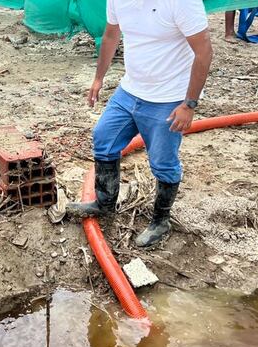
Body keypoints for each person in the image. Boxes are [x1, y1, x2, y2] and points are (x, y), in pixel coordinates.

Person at [66, 0, 213, 248]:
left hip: (168, 99)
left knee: (163, 163)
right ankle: (105, 202)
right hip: (130, 90)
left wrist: (189, 105)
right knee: (104, 138)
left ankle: (160, 221)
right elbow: (111, 34)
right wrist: (98, 78)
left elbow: (204, 51)